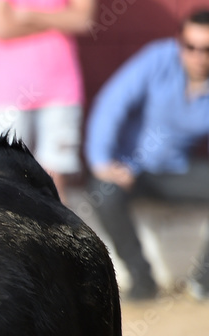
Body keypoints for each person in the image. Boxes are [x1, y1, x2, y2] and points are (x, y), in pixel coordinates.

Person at [85, 8, 209, 301]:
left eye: (207, 49)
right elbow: (111, 103)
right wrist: (102, 161)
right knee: (103, 191)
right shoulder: (158, 58)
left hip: (177, 170)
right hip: (130, 170)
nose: (198, 56)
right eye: (190, 47)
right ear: (179, 43)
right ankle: (142, 282)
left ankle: (203, 282)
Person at [0, 0, 95, 201]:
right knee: (5, 179)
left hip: (61, 89)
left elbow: (83, 20)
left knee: (54, 185)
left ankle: (55, 233)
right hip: (8, 92)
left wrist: (29, 16)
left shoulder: (28, 14)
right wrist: (58, 20)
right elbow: (0, 27)